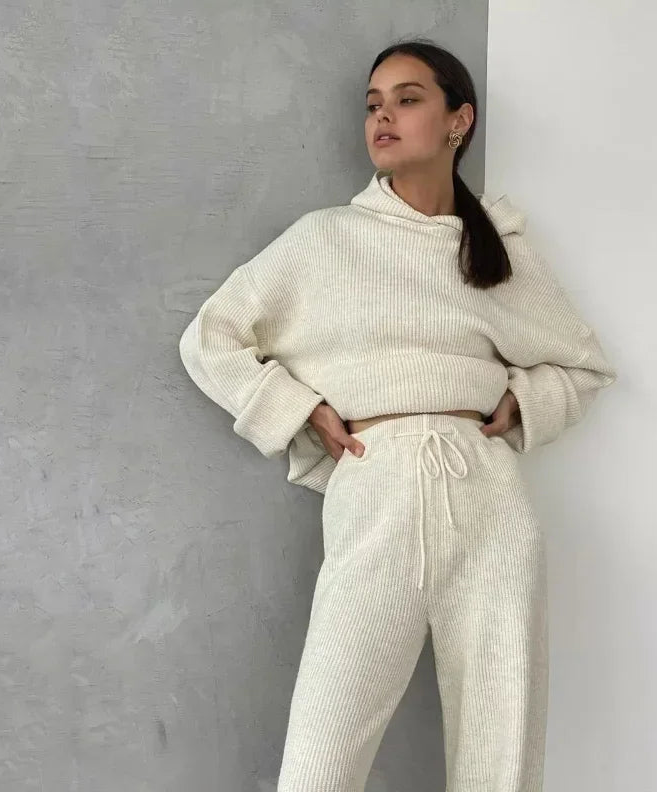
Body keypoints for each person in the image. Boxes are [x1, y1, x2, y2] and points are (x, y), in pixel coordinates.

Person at [178, 38, 617, 792]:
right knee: (321, 757)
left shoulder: (494, 251)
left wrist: (524, 403)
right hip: (374, 479)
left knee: (502, 751)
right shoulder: (325, 239)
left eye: (408, 100)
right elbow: (209, 337)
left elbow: (583, 365)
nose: (383, 117)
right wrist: (298, 409)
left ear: (458, 121)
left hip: (487, 491)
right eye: (374, 105)